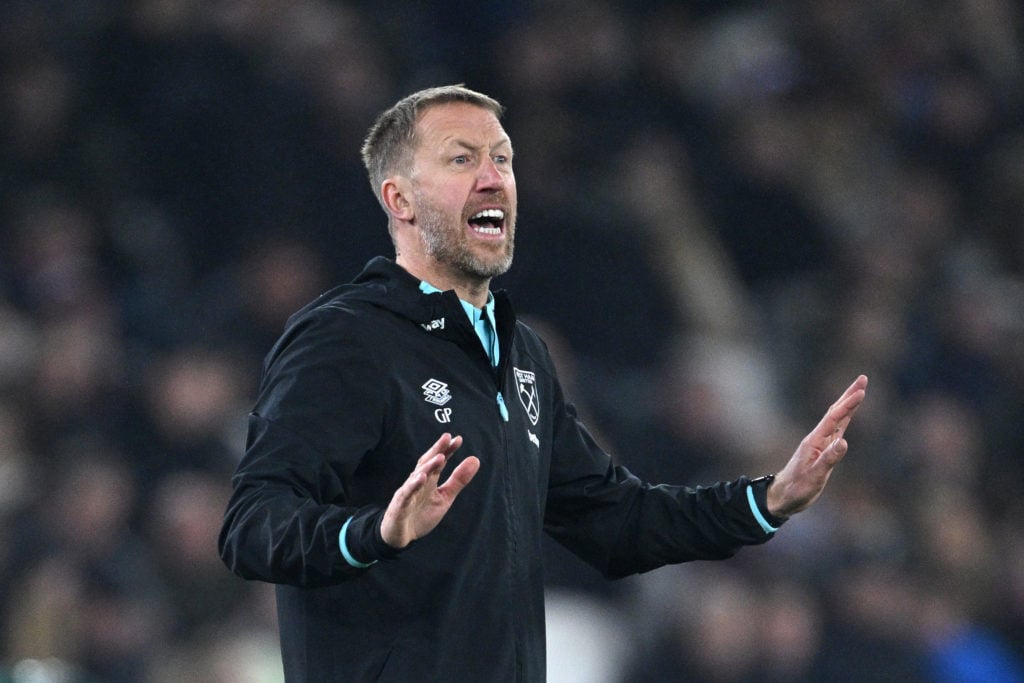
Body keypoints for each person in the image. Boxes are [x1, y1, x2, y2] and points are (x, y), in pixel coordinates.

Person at [218, 84, 868, 682]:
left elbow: (618, 519)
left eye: (501, 160)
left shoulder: (521, 356)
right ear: (400, 199)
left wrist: (767, 500)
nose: (493, 179)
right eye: (461, 160)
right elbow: (253, 524)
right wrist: (374, 533)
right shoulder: (344, 342)